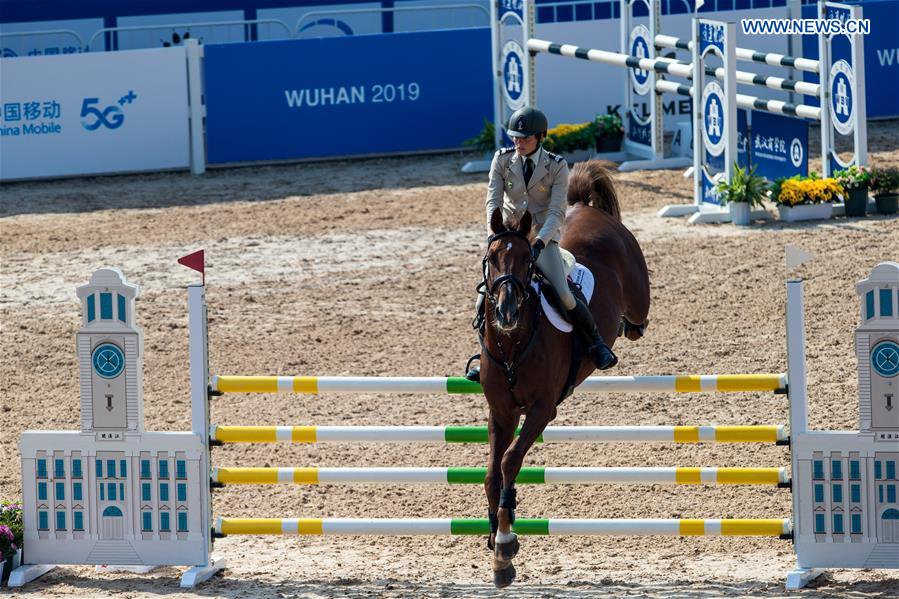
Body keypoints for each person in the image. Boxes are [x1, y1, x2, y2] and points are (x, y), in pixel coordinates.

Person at [465, 107, 617, 381]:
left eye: (524, 138)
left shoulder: (557, 166)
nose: (518, 142)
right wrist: (494, 233)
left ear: (540, 137)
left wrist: (539, 242)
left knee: (564, 294)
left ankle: (596, 343)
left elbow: (557, 212)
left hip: (541, 240)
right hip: (508, 238)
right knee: (481, 300)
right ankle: (483, 356)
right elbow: (493, 201)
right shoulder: (501, 160)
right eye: (515, 137)